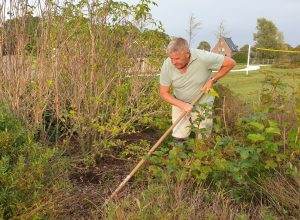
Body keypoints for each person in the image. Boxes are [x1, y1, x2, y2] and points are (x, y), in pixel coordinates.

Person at [159, 37, 236, 141]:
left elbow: (230, 63)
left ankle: (200, 154)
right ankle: (179, 154)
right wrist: (183, 105)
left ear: (187, 54)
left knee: (203, 134)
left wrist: (212, 80)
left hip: (203, 102)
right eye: (171, 58)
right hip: (179, 102)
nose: (173, 62)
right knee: (179, 134)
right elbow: (164, 93)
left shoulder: (203, 57)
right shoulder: (167, 64)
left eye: (177, 59)